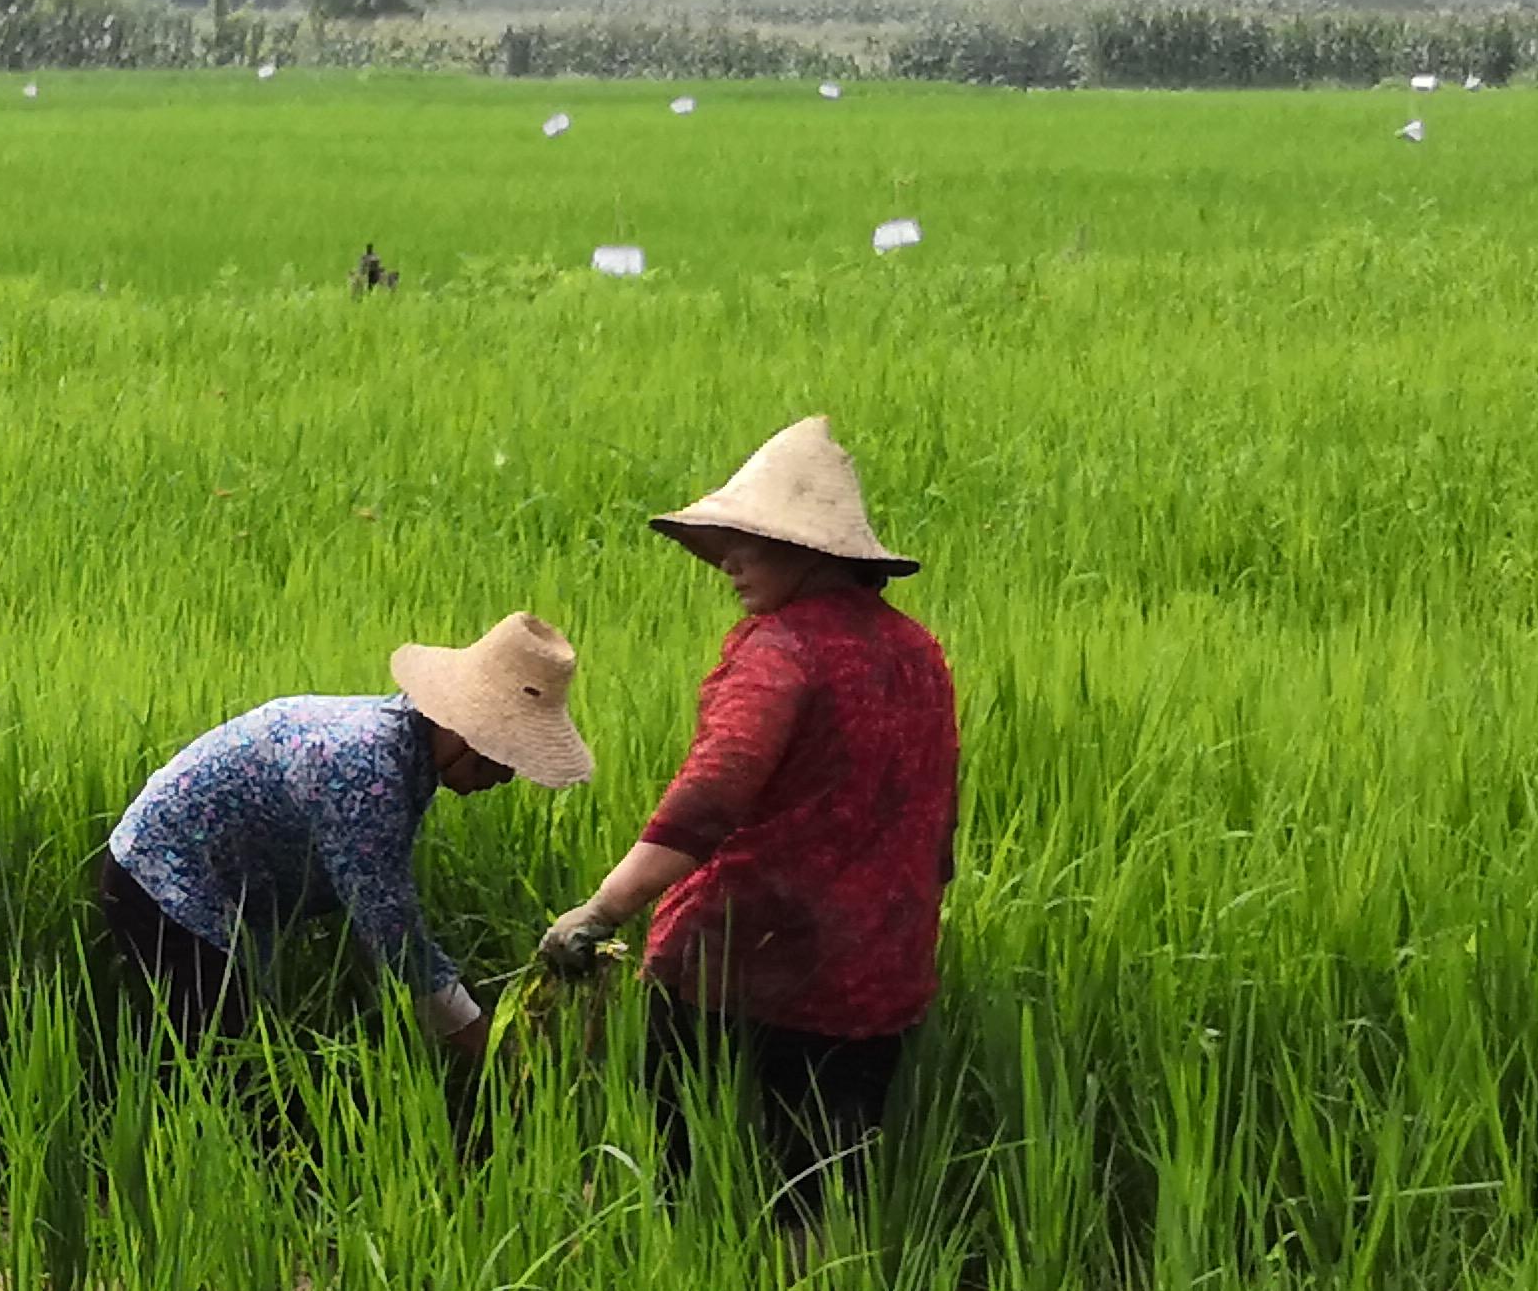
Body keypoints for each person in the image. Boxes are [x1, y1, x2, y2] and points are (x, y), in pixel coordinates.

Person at [539, 416, 957, 1213]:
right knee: (827, 1192)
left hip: (743, 962)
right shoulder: (918, 651)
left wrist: (599, 913)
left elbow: (708, 799)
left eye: (751, 543)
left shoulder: (778, 652)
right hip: (881, 968)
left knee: (671, 1172)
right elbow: (939, 821)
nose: (729, 562)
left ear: (809, 550)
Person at [98, 617, 592, 1061]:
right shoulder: (367, 770)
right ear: (468, 732)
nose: (506, 776)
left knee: (235, 1053)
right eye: (506, 754)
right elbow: (395, 941)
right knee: (222, 1066)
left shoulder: (401, 746)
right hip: (164, 884)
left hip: (214, 891)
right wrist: (494, 1057)